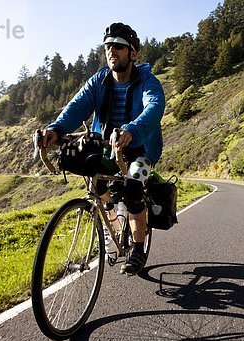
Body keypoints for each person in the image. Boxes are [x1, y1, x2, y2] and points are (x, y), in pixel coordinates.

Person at [40, 22, 165, 275]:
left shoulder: (147, 81)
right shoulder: (99, 80)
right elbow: (76, 108)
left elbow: (154, 108)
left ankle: (139, 248)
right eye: (108, 46)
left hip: (139, 148)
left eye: (118, 46)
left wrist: (132, 131)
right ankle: (113, 225)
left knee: (132, 188)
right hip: (107, 147)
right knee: (96, 183)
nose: (111, 51)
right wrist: (55, 130)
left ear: (132, 53)